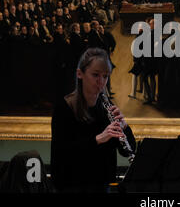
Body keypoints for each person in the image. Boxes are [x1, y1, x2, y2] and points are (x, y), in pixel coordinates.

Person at [50, 48, 136, 193]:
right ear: (80, 74)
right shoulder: (64, 108)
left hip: (103, 186)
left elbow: (127, 150)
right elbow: (62, 155)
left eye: (105, 76)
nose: (101, 82)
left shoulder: (106, 106)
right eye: (95, 75)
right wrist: (98, 139)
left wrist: (124, 127)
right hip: (73, 187)